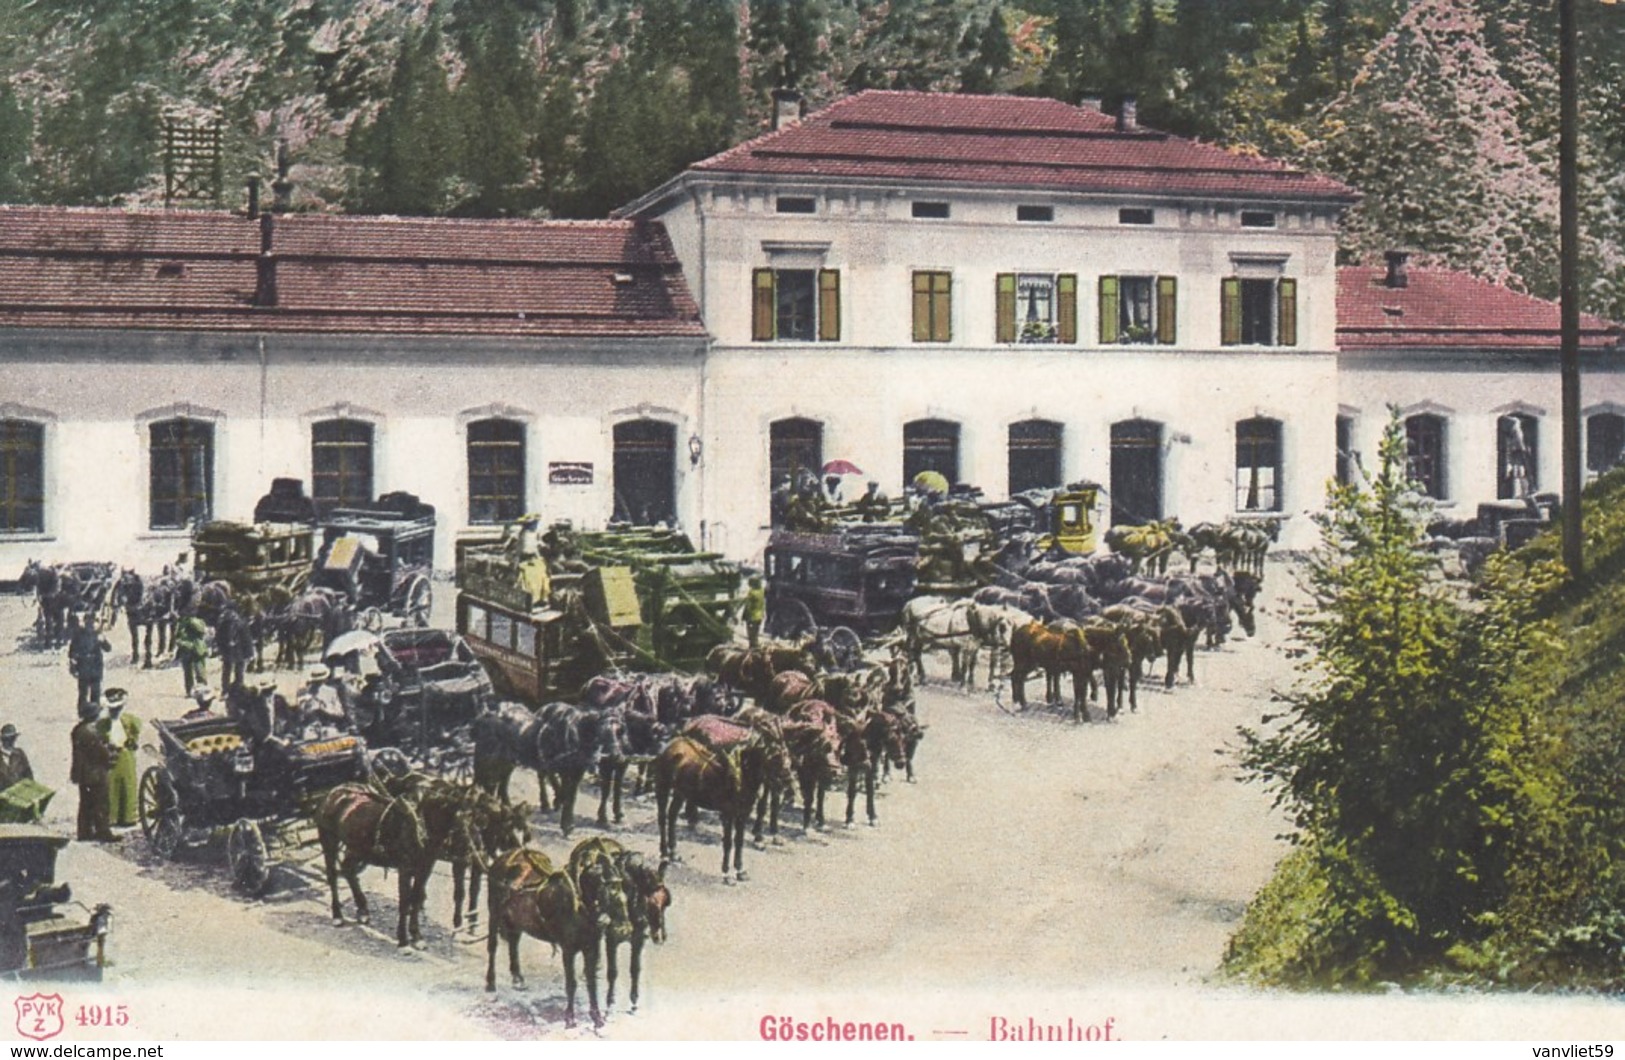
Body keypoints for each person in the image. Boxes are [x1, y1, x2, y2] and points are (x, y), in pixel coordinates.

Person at [69, 700, 116, 842]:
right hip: (95, 773)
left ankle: (84, 832)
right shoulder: (91, 732)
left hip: (83, 773)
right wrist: (111, 754)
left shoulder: (78, 729)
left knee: (86, 803)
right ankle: (103, 832)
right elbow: (100, 753)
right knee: (101, 803)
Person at [97, 688, 141, 829]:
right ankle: (112, 817)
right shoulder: (102, 724)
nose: (115, 711)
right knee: (111, 786)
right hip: (110, 755)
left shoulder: (130, 720)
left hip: (125, 754)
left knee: (128, 784)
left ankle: (128, 816)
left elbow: (135, 735)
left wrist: (132, 742)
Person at [66, 616, 111, 713]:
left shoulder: (97, 635)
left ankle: (95, 712)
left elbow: (108, 648)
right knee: (83, 693)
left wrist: (103, 640)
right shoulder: (79, 635)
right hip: (83, 667)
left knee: (96, 693)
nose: (90, 625)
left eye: (92, 623)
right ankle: (82, 712)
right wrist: (73, 664)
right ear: (85, 623)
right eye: (88, 623)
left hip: (96, 667)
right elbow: (72, 651)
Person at [174, 612, 210, 696]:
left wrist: (191, 621)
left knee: (200, 671)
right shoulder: (182, 622)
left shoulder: (197, 621)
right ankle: (189, 691)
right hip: (186, 649)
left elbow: (202, 630)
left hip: (197, 648)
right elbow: (178, 635)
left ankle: (203, 690)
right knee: (187, 672)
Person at [0, 724, 33, 789]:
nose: (11, 741)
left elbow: (29, 777)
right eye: (7, 739)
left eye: (13, 738)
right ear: (2, 740)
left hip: (20, 795)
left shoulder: (20, 754)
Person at [743, 576, 766, 649]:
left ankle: (753, 648)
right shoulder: (762, 591)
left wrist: (744, 616)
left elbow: (748, 606)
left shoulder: (752, 593)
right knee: (756, 633)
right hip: (760, 616)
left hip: (752, 616)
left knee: (751, 634)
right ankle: (756, 646)